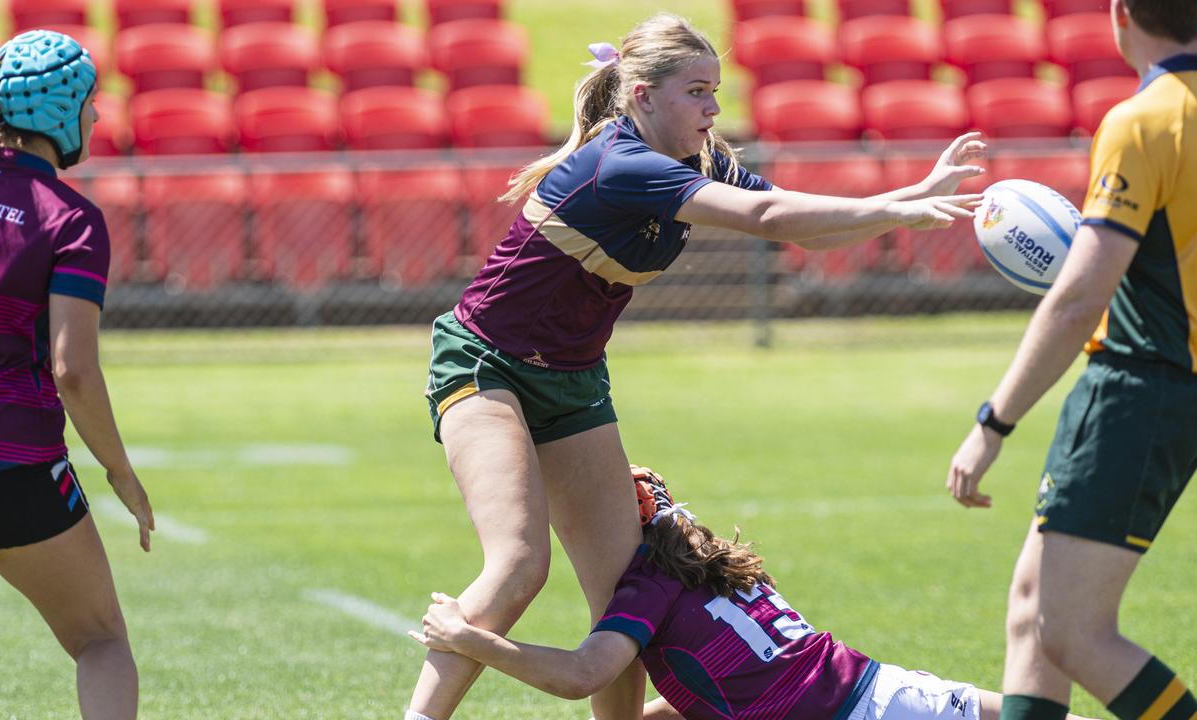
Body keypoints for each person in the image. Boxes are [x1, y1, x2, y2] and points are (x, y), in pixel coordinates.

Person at [414, 13, 987, 720]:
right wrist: (899, 209)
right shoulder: (620, 163)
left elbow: (800, 221)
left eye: (716, 91)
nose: (714, 109)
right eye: (697, 92)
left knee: (615, 591)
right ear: (643, 97)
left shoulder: (700, 158)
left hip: (574, 381)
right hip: (485, 362)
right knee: (519, 564)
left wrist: (909, 195)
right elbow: (772, 217)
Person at [944, 1, 1197, 718]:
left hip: (1134, 390)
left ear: (1120, 14)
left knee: (1070, 632)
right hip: (1187, 395)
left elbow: (1081, 295)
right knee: (1031, 613)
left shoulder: (1139, 121)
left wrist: (993, 422)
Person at [411, 466, 1098, 720]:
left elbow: (581, 676)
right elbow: (743, 677)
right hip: (881, 689)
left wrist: (468, 638)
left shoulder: (646, 585)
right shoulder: (701, 554)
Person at [0, 30, 154, 720]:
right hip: (16, 465)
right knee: (101, 641)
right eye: (89, 103)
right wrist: (120, 472)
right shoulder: (71, 219)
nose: (96, 118)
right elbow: (72, 368)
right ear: (60, 113)